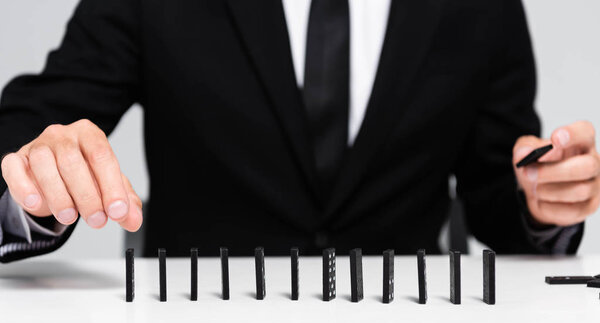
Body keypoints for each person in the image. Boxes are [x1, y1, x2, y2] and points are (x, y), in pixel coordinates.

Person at [0, 0, 598, 262]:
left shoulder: (481, 7)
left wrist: (542, 202)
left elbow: (499, 190)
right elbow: (27, 129)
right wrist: (39, 173)